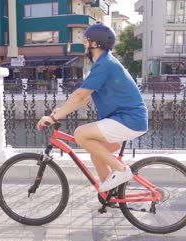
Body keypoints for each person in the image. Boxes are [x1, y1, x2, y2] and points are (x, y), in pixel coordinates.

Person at [37, 22, 148, 200]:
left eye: (86, 41)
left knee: (80, 134)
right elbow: (83, 97)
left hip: (128, 120)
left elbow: (81, 95)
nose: (85, 45)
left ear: (95, 44)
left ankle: (121, 171)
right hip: (126, 120)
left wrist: (54, 116)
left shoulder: (105, 65)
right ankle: (109, 195)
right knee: (97, 153)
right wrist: (61, 110)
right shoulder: (104, 63)